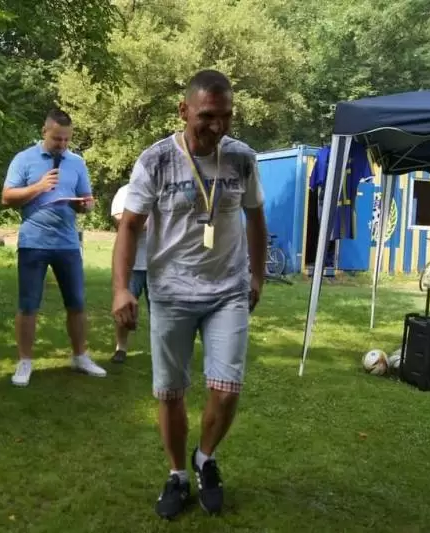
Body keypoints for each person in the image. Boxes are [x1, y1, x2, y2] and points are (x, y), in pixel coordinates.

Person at [111, 69, 267, 518]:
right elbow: (130, 226)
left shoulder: (242, 159)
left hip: (228, 291)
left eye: (226, 116)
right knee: (170, 392)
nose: (217, 126)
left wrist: (257, 276)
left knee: (227, 388)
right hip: (171, 292)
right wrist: (121, 288)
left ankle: (205, 457)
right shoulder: (156, 160)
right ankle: (178, 473)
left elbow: (256, 217)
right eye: (207, 116)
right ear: (183, 110)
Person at [1, 108, 106, 386]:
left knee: (77, 302)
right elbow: (7, 197)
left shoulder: (77, 162)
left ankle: (80, 356)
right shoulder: (24, 159)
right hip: (33, 242)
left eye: (66, 140)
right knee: (28, 304)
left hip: (68, 243)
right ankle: (25, 362)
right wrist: (38, 186)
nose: (62, 144)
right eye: (57, 139)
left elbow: (87, 198)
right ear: (44, 132)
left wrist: (86, 205)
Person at [109, 183, 148, 363]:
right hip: (132, 264)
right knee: (125, 309)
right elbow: (120, 221)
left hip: (160, 265)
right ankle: (121, 348)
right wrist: (143, 223)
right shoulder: (125, 192)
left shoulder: (164, 189)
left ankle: (163, 350)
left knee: (163, 312)